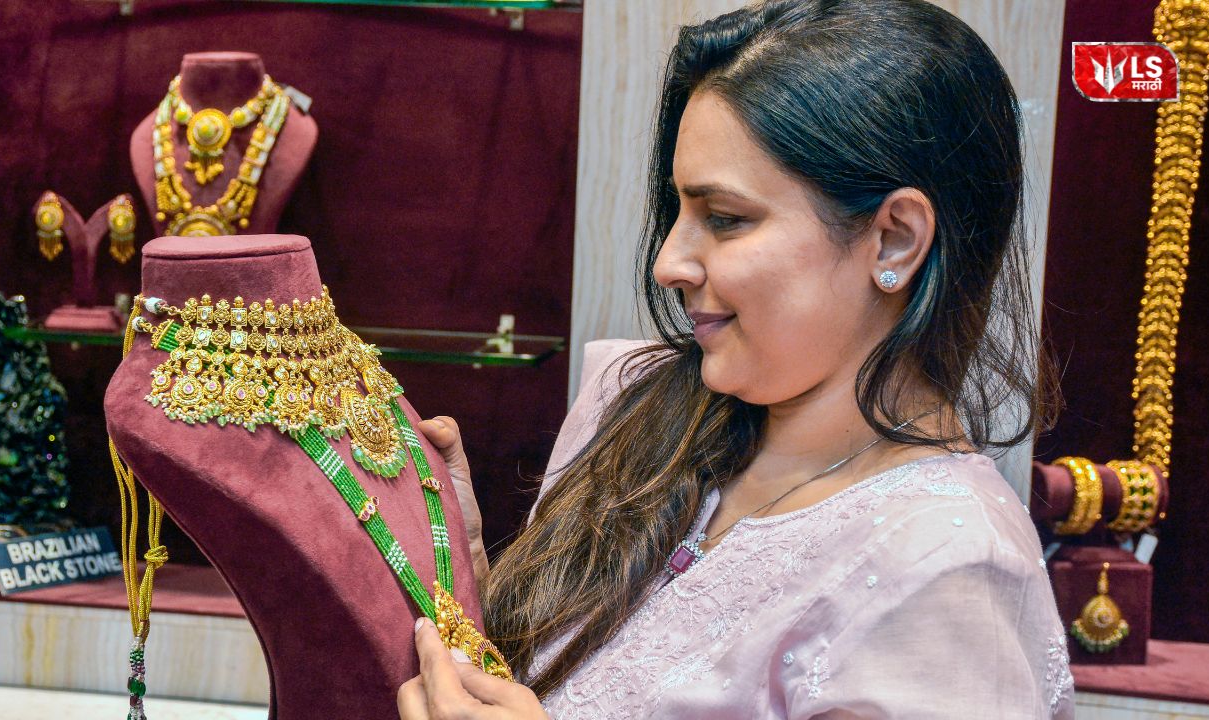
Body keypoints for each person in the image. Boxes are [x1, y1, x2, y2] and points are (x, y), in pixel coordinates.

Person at [399, 0, 1075, 717]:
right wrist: (466, 588)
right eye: (678, 213)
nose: (667, 263)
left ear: (895, 240)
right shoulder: (637, 404)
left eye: (724, 218)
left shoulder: (948, 566)